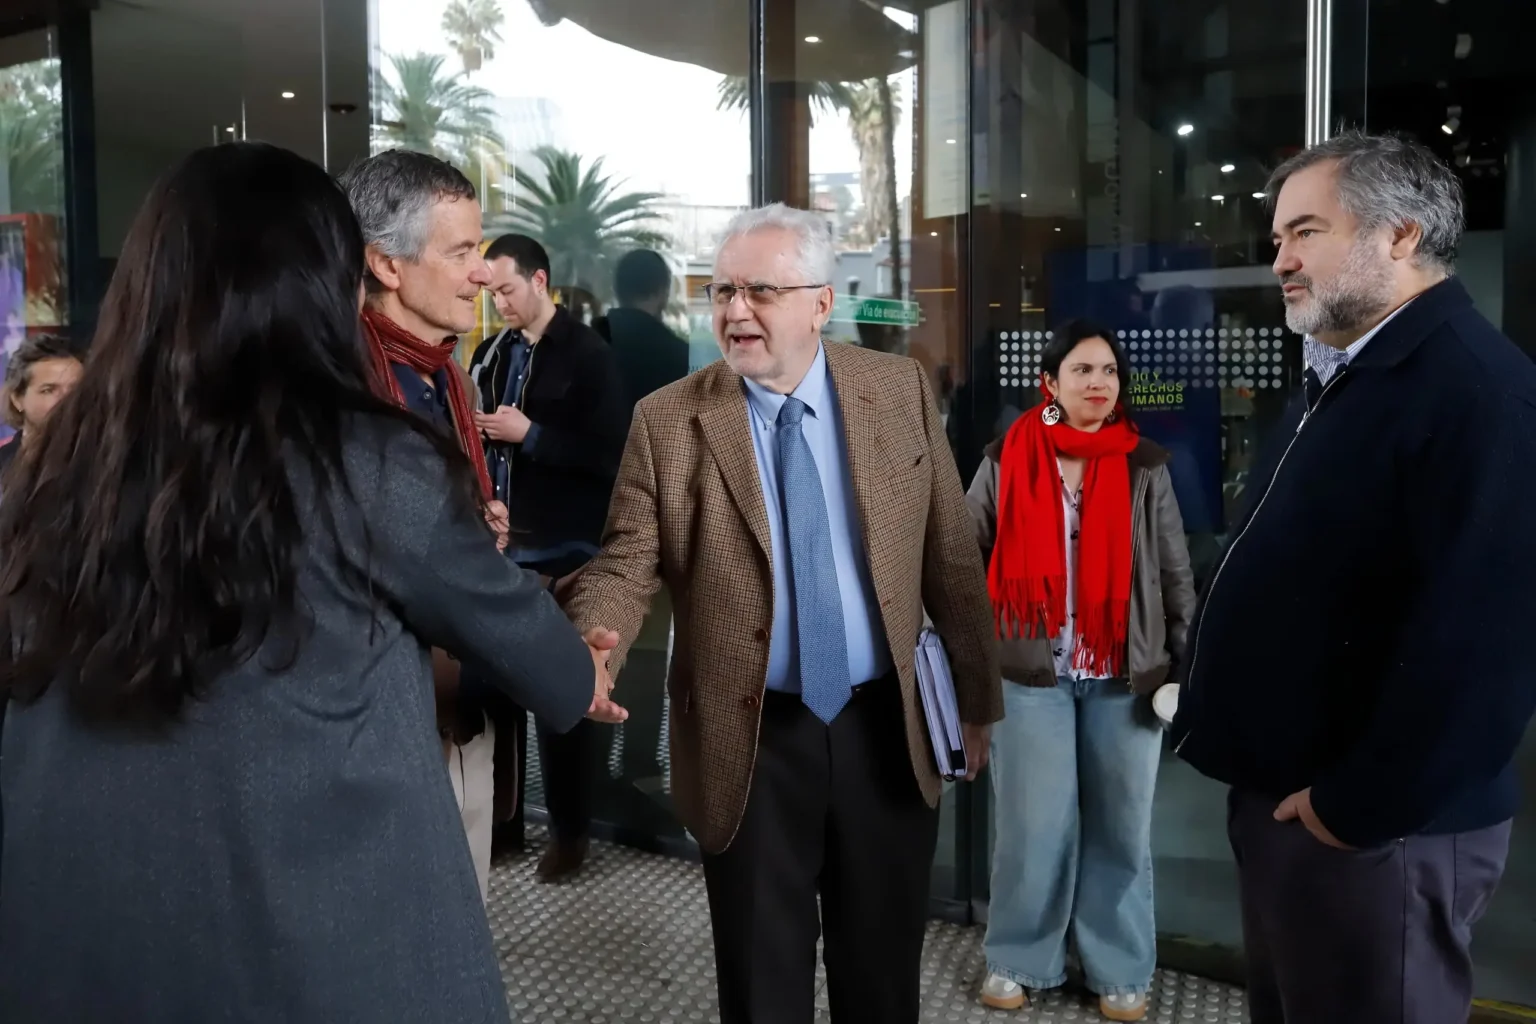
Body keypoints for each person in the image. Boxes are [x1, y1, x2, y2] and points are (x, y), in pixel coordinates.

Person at [0, 142, 623, 1023]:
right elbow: (533, 651)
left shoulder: (57, 463)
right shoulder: (363, 456)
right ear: (323, 281)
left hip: (75, 935)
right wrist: (579, 669)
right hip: (315, 940)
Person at [561, 203, 1001, 1024]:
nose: (734, 310)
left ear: (820, 303)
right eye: (723, 290)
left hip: (886, 733)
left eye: (760, 290)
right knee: (764, 988)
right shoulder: (669, 420)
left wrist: (976, 700)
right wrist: (595, 642)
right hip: (750, 737)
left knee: (881, 979)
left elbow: (950, 558)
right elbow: (625, 561)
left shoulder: (896, 389)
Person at [1172, 131, 1536, 1023]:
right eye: (1277, 239)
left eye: (1305, 232)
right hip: (1304, 815)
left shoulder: (1478, 395)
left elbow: (1485, 651)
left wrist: (1355, 807)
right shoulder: (1346, 375)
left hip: (1379, 834)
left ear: (1400, 235)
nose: (1281, 260)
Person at [966, 320, 1195, 1022]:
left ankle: (1118, 968)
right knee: (1034, 828)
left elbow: (1172, 568)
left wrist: (1186, 658)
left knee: (1121, 828)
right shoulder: (1007, 456)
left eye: (1109, 373)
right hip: (1029, 672)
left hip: (1124, 676)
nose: (1099, 383)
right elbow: (963, 560)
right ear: (1052, 381)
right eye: (1084, 370)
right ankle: (1018, 958)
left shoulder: (1143, 463)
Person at [339, 149, 509, 900]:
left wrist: (480, 525)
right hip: (377, 722)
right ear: (387, 264)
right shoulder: (343, 390)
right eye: (463, 252)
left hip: (460, 693)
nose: (483, 273)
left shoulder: (447, 376)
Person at [468, 232, 628, 881]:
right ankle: (504, 826)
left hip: (569, 551)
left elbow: (611, 457)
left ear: (539, 281)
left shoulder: (590, 357)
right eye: (492, 291)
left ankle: (570, 835)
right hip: (503, 549)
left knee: (562, 698)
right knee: (493, 692)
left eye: (507, 289)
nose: (499, 302)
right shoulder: (488, 354)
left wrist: (530, 436)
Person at [591, 248, 691, 817]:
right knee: (649, 653)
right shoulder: (678, 355)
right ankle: (637, 770)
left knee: (599, 641)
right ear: (660, 290)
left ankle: (591, 771)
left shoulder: (587, 343)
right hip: (659, 519)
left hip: (589, 526)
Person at [0, 332, 86, 478]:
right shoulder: (3, 463)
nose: (65, 399)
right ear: (17, 399)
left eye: (75, 389)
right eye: (49, 390)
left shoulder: (108, 463)